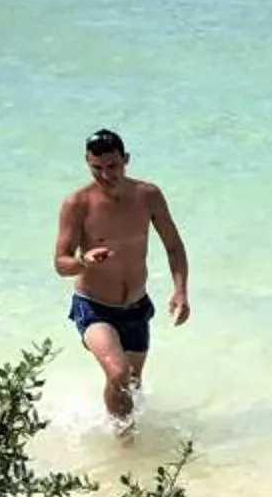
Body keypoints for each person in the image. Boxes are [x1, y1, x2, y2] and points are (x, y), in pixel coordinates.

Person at [52, 128, 191, 431]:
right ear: (87, 164)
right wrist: (82, 262)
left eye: (113, 166)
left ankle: (125, 448)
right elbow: (60, 263)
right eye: (96, 168)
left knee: (131, 384)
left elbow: (174, 246)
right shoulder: (77, 203)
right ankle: (124, 446)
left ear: (126, 159)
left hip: (137, 306)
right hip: (94, 306)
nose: (106, 174)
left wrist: (180, 292)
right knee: (118, 373)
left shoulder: (148, 195)